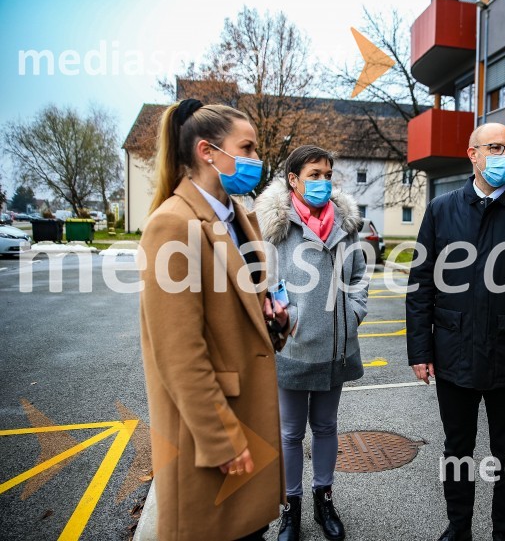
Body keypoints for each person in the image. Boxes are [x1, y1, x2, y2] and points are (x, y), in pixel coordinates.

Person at [139, 99, 290, 540]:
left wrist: (274, 319)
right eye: (246, 147)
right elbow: (178, 352)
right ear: (208, 152)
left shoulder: (239, 216)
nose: (255, 159)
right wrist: (222, 439)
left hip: (250, 421)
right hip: (214, 434)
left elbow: (248, 309)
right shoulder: (173, 224)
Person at [406, 123, 505, 541]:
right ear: (472, 154)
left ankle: (504, 534)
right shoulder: (440, 210)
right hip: (453, 353)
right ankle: (459, 528)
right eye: (496, 148)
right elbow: (421, 284)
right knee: (457, 449)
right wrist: (420, 350)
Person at [255, 145, 368, 541]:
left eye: (327, 174)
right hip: (291, 346)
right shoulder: (273, 226)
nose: (322, 182)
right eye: (314, 174)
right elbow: (263, 285)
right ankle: (291, 508)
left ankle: (324, 500)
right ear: (293, 179)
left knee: (325, 426)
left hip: (336, 346)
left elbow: (358, 279)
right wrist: (289, 320)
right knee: (289, 433)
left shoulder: (346, 225)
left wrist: (351, 315)